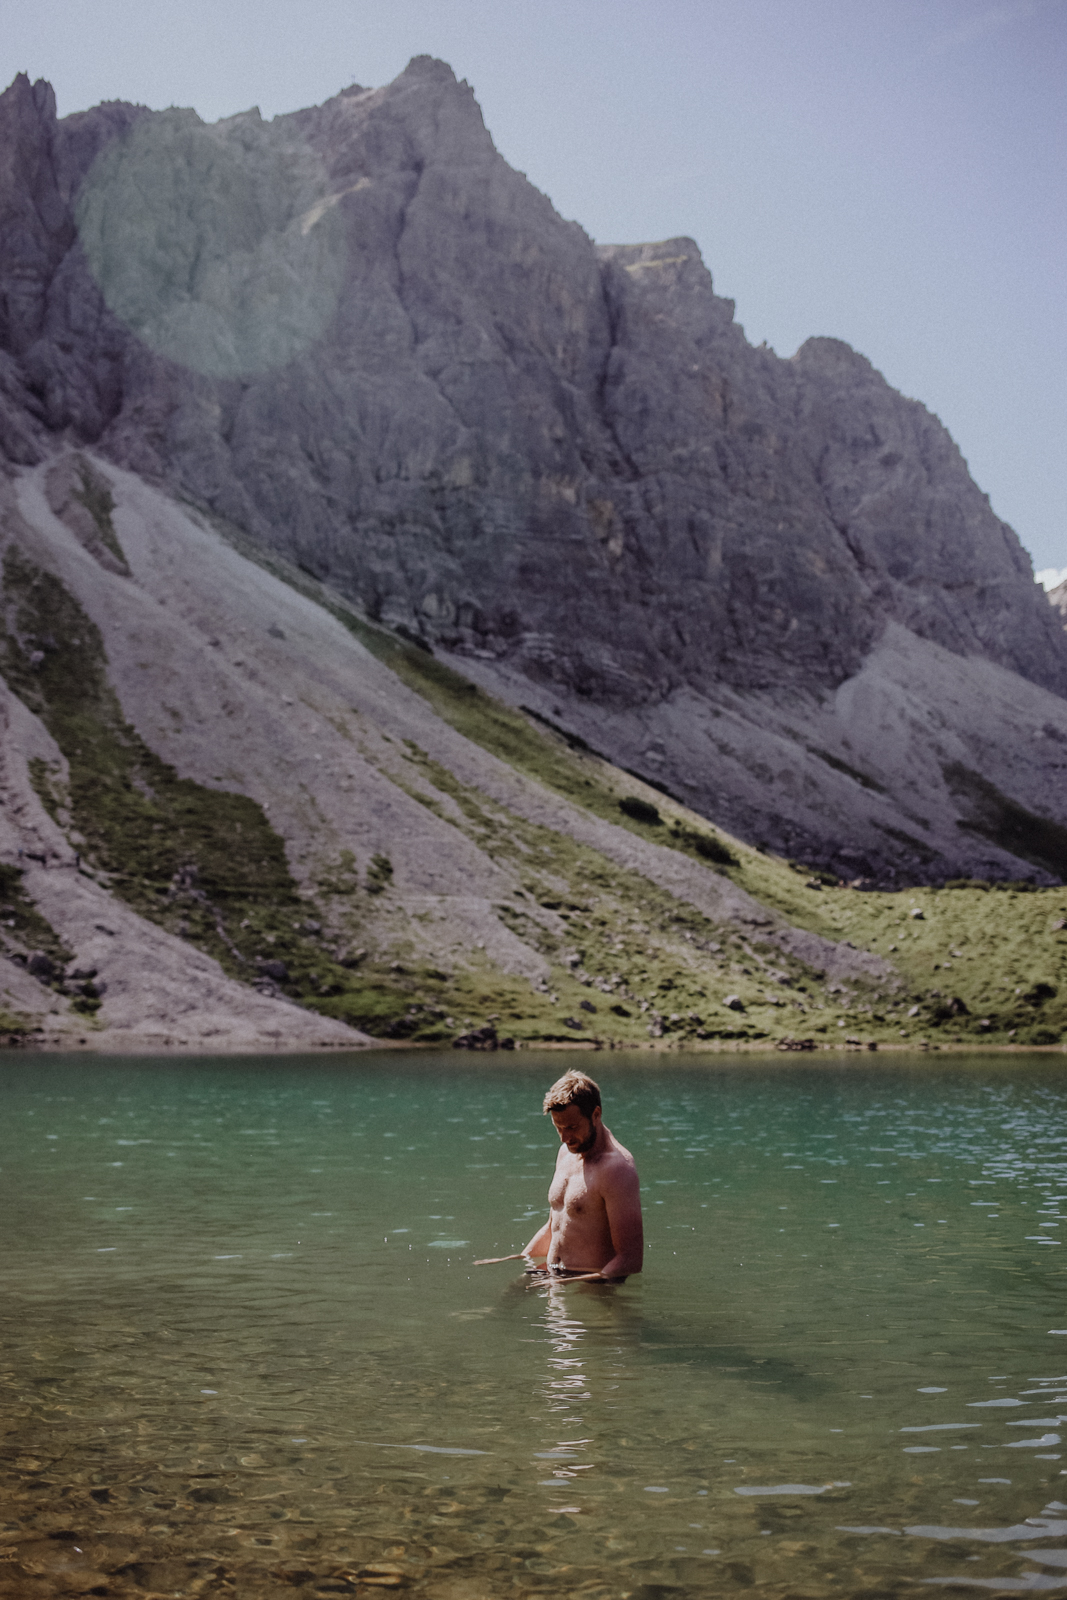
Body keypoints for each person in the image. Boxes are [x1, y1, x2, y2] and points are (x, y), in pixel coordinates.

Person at [475, 1071, 643, 1281]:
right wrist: (520, 1258)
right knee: (501, 1308)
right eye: (558, 1128)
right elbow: (555, 1225)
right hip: (555, 1274)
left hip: (595, 1286)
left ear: (596, 1114)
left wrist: (572, 1284)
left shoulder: (617, 1169)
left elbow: (631, 1259)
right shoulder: (566, 1152)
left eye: (572, 1127)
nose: (565, 1138)